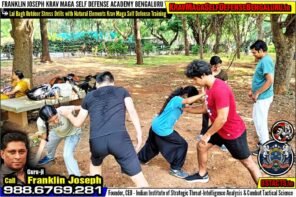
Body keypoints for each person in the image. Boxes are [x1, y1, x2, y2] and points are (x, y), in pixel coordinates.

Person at [61, 71, 149, 187]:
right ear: (113, 82)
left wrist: (68, 114)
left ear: (97, 84)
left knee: (95, 167)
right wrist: (139, 133)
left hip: (97, 141)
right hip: (119, 140)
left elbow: (78, 123)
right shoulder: (122, 91)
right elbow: (132, 111)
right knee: (140, 182)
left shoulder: (89, 96)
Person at [183, 60, 261, 184]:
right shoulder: (207, 87)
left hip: (232, 132)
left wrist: (207, 135)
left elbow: (222, 118)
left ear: (203, 75)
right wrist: (186, 110)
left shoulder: (220, 89)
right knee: (201, 146)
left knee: (248, 163)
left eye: (195, 79)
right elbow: (205, 108)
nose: (194, 82)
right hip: (219, 128)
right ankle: (202, 175)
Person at [138, 86, 204, 179]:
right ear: (186, 95)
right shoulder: (177, 99)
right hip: (162, 128)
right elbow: (188, 101)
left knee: (153, 145)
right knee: (182, 144)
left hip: (156, 125)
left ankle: (139, 159)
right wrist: (203, 94)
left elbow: (191, 108)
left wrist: (205, 101)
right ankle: (175, 169)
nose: (191, 102)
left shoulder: (180, 103)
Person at [34, 105, 82, 176]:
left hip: (72, 133)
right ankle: (50, 157)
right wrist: (36, 158)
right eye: (51, 121)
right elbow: (44, 138)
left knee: (67, 155)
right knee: (49, 145)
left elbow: (82, 107)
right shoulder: (40, 122)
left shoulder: (63, 110)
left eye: (56, 117)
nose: (56, 122)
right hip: (57, 132)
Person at [249, 40, 274, 155]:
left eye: (254, 52)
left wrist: (257, 92)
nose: (253, 55)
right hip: (260, 96)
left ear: (260, 50)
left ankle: (265, 147)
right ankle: (263, 143)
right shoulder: (263, 60)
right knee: (256, 119)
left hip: (263, 97)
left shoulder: (266, 61)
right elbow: (262, 79)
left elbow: (270, 80)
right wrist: (253, 91)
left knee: (260, 122)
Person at [200, 56, 228, 140]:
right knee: (205, 113)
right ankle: (203, 131)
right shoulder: (208, 72)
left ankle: (217, 133)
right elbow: (203, 85)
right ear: (211, 65)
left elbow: (225, 86)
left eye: (219, 66)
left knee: (216, 115)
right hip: (208, 96)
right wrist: (203, 94)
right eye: (215, 66)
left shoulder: (223, 74)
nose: (217, 68)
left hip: (217, 97)